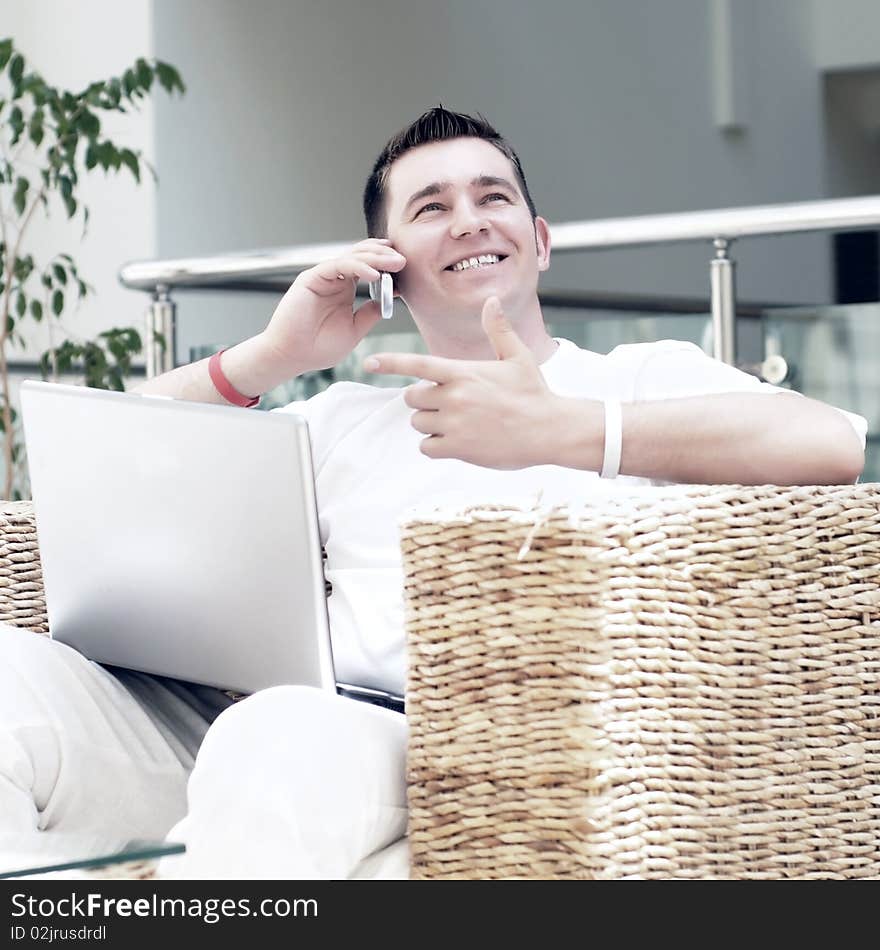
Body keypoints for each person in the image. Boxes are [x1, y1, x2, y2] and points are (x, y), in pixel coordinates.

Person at [0, 108, 866, 880]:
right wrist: (273, 356)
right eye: (431, 208)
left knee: (278, 740)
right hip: (254, 723)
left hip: (442, 746)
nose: (470, 221)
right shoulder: (339, 416)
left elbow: (833, 443)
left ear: (540, 236)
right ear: (389, 268)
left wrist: (570, 430)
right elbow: (103, 454)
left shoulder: (635, 375)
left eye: (493, 197)